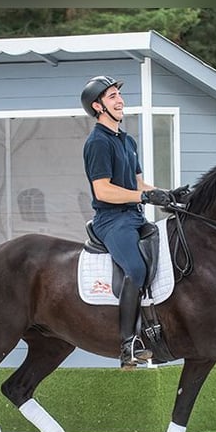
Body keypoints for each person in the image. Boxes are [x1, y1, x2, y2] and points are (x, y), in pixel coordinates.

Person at [80, 75, 172, 369]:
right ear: (98, 107)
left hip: (134, 216)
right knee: (135, 267)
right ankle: (127, 344)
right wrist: (141, 197)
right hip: (111, 220)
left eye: (118, 94)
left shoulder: (127, 140)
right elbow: (102, 190)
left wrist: (166, 195)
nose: (120, 100)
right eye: (111, 97)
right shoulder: (97, 142)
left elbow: (138, 183)